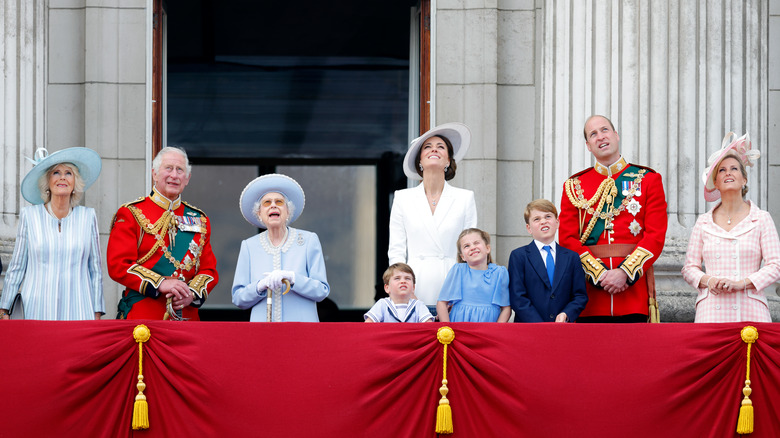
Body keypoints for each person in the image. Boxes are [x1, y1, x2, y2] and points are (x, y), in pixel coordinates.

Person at [559, 115, 668, 323]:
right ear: (588, 145)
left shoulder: (648, 179)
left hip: (632, 295)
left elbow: (655, 235)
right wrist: (599, 274)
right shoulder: (574, 186)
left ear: (616, 135)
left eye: (605, 130)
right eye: (593, 134)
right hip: (590, 298)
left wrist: (625, 273)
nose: (600, 137)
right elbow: (567, 239)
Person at [107, 146, 218, 320]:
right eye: (168, 168)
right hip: (143, 317)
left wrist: (193, 294)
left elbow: (208, 270)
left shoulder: (200, 220)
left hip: (186, 317)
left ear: (187, 178)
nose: (174, 175)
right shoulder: (131, 213)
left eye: (180, 170)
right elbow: (118, 265)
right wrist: (161, 284)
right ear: (155, 174)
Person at [682, 133, 780, 322]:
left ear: (744, 180)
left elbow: (775, 266)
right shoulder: (703, 222)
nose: (728, 173)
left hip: (751, 310)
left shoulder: (761, 219)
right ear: (716, 183)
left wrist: (741, 283)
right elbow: (689, 268)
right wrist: (709, 281)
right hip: (711, 311)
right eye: (722, 170)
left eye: (734, 169)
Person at [0, 147, 104, 320]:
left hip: (79, 311)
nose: (62, 177)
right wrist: (4, 309)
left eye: (68, 173)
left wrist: (97, 312)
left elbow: (95, 270)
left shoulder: (88, 217)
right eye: (56, 172)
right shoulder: (30, 216)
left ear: (75, 183)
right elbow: (17, 267)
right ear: (47, 181)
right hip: (37, 311)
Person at [388, 123, 478, 313]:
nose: (434, 149)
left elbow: (470, 251)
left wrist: (463, 291)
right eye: (427, 147)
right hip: (415, 286)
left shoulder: (465, 197)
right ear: (419, 160)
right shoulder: (402, 198)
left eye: (441, 147)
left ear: (448, 161)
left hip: (454, 288)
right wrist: (406, 290)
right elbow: (396, 252)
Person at [232, 174, 330, 322]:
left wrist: (293, 278)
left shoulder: (309, 240)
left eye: (279, 202)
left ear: (288, 211)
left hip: (301, 330)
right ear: (259, 214)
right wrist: (259, 286)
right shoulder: (249, 246)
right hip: (262, 332)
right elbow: (238, 298)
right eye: (266, 203)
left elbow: (321, 290)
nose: (273, 205)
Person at [508, 199, 588, 322]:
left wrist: (566, 314)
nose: (543, 221)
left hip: (562, 329)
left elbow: (580, 295)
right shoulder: (519, 256)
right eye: (537, 219)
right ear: (529, 228)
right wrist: (541, 325)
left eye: (548, 216)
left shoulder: (571, 257)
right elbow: (517, 297)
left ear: (557, 223)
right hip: (529, 329)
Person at [436, 228, 511, 322]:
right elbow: (442, 303)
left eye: (476, 243)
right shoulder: (458, 271)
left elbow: (506, 308)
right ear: (462, 256)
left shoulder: (500, 273)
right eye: (466, 246)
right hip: (459, 325)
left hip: (488, 327)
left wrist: (496, 331)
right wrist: (447, 328)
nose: (472, 247)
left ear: (487, 248)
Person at [364, 263, 434, 323]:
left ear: (413, 288)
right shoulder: (382, 304)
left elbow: (429, 327)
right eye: (397, 278)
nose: (403, 281)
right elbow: (368, 326)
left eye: (407, 278)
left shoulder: (418, 305)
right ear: (387, 288)